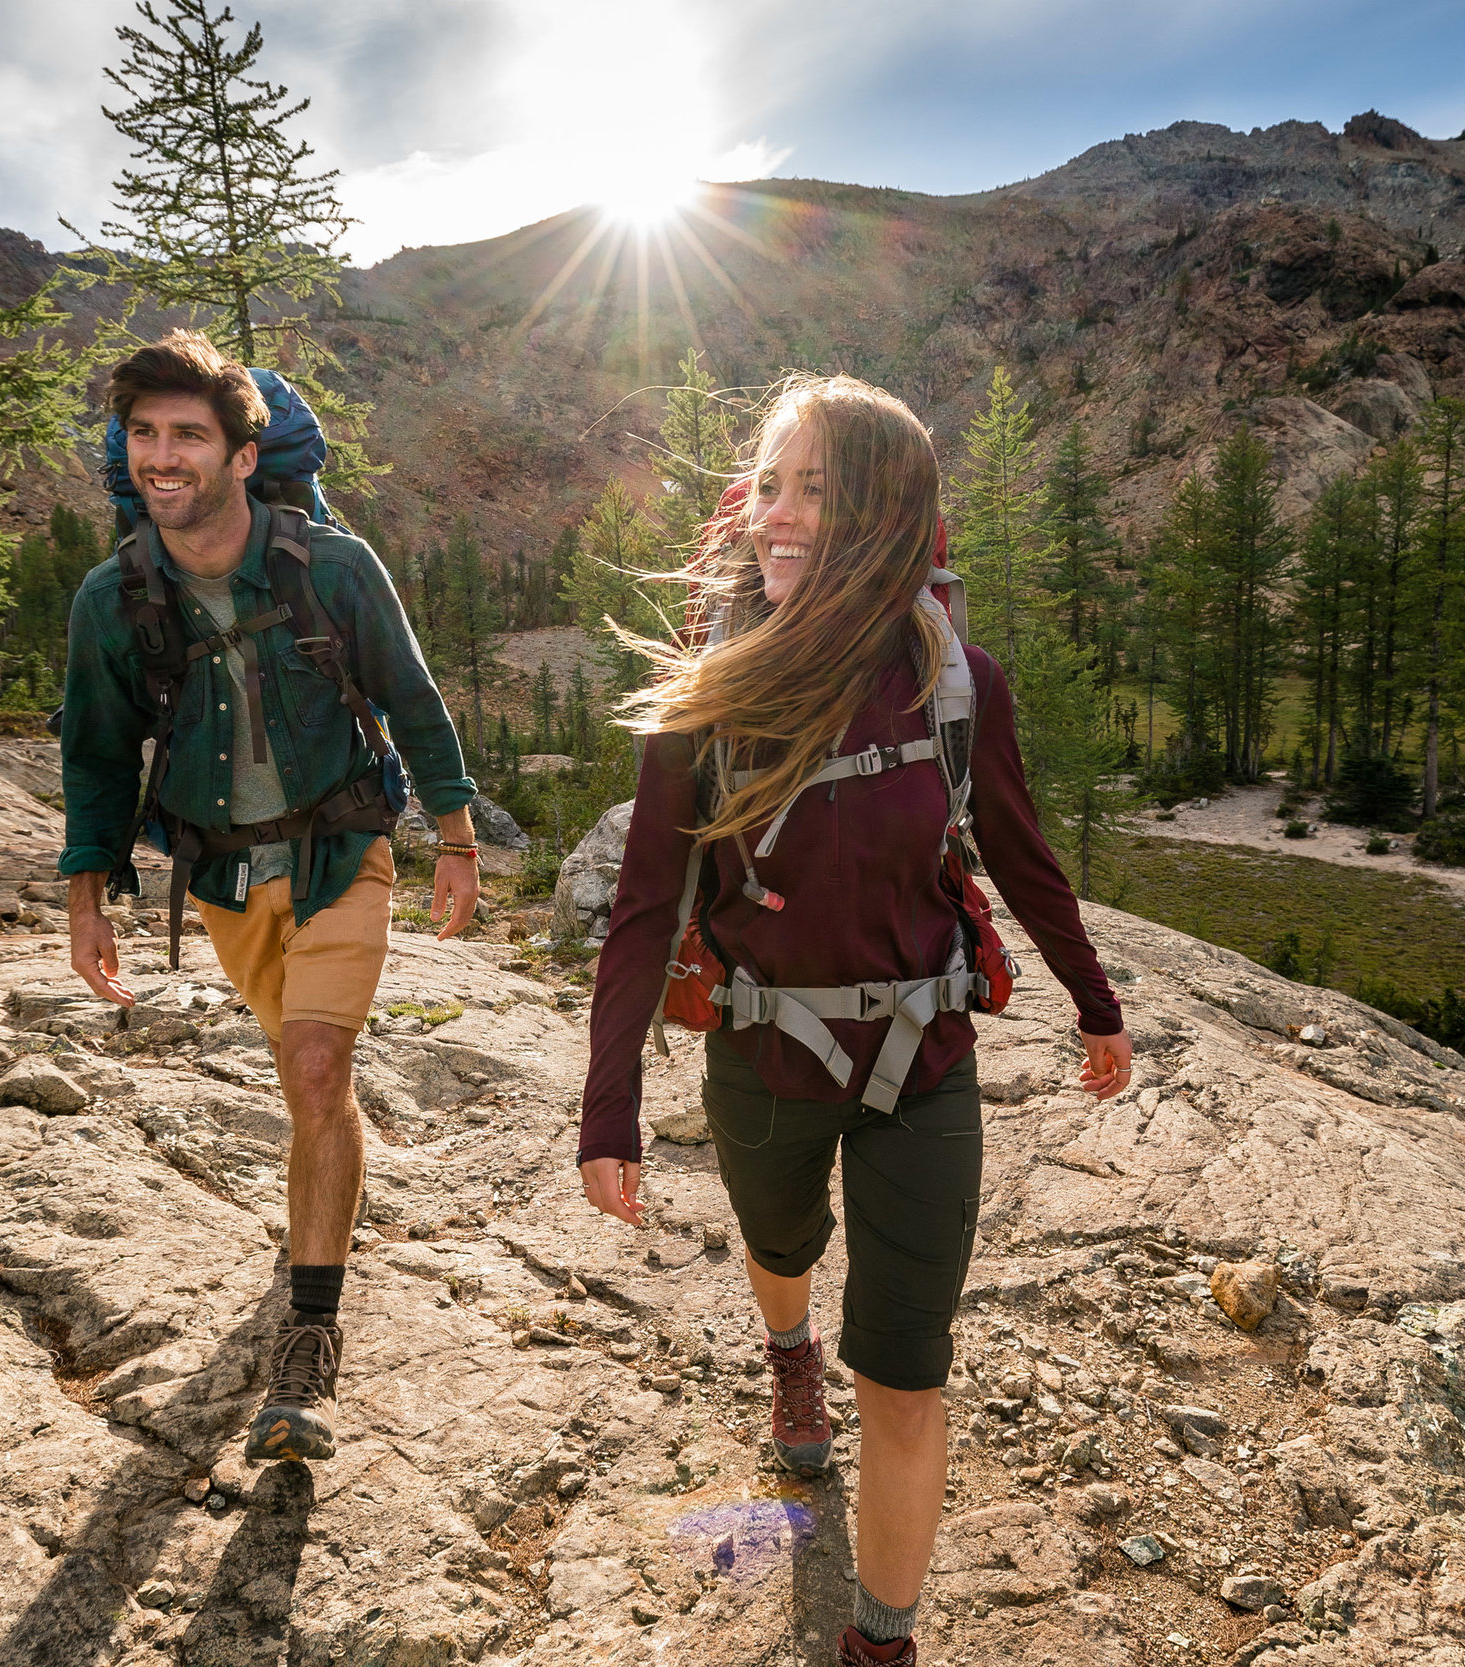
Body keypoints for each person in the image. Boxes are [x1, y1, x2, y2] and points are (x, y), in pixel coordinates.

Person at [573, 375, 1133, 1666]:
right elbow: (648, 906)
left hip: (925, 1063)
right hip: (763, 1051)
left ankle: (883, 1637)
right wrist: (609, 1106)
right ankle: (787, 1344)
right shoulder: (710, 693)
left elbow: (1024, 856)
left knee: (911, 1367)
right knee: (782, 1242)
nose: (777, 512)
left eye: (815, 487)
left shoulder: (956, 684)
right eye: (769, 481)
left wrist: (1094, 1000)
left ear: (883, 512)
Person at [59, 330, 482, 1465]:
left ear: (243, 455)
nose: (163, 455)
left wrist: (453, 834)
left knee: (313, 1065)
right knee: (311, 1091)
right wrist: (86, 894)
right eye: (144, 433)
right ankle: (323, 1220)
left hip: (344, 847)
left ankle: (309, 1337)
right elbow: (96, 752)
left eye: (188, 434)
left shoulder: (329, 565)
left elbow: (410, 694)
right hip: (225, 875)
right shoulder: (115, 596)